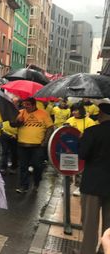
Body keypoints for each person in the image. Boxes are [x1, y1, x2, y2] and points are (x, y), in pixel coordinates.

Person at [78, 103, 110, 254]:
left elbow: (82, 154)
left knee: (90, 222)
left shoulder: (92, 131)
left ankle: (88, 251)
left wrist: (82, 140)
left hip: (92, 184)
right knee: (109, 224)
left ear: (102, 115)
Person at [12, 97, 53, 194]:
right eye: (24, 104)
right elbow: (13, 125)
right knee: (23, 166)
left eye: (28, 104)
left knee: (37, 166)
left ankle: (36, 183)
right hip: (22, 144)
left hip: (37, 146)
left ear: (34, 105)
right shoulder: (21, 112)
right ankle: (23, 186)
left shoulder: (43, 114)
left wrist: (45, 142)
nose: (26, 106)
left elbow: (50, 128)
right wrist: (19, 122)